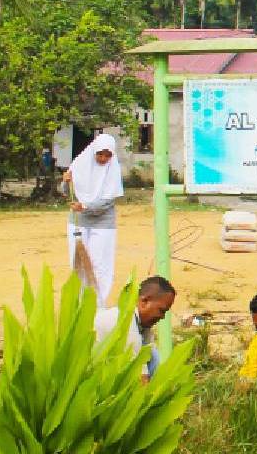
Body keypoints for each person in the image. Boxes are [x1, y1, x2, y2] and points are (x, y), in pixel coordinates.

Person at [63, 133, 124, 305]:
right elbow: (68, 192)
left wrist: (86, 206)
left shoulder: (112, 170)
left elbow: (108, 200)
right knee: (78, 261)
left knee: (100, 264)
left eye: (108, 155)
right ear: (94, 152)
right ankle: (80, 301)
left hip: (103, 223)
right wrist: (65, 181)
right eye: (100, 154)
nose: (103, 158)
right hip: (78, 221)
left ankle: (98, 303)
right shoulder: (80, 164)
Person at [93, 275, 176, 382]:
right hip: (93, 374)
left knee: (153, 355)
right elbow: (141, 381)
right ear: (144, 301)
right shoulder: (127, 325)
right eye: (161, 310)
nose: (162, 317)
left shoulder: (141, 324)